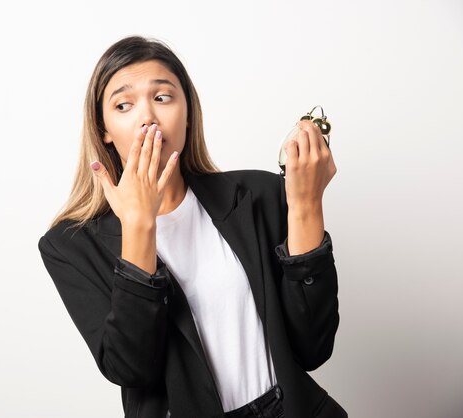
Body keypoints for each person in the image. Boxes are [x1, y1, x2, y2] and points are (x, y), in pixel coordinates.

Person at [38, 35, 348, 418]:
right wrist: (138, 226)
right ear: (103, 129)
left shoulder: (260, 194)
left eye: (163, 97)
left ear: (187, 113)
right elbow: (132, 369)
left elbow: (313, 348)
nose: (147, 117)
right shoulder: (69, 245)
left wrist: (305, 205)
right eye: (123, 104)